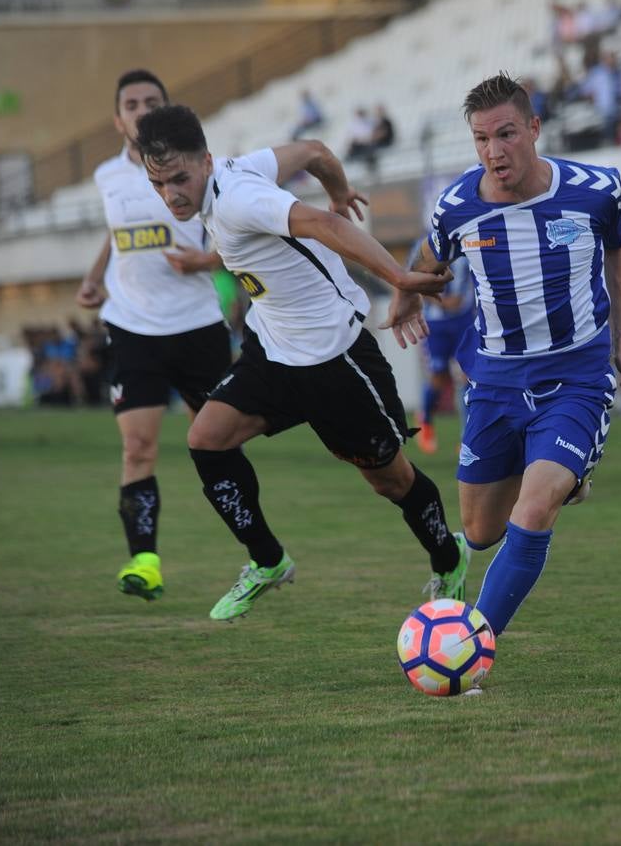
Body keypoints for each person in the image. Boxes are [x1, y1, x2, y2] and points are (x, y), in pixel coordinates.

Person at [133, 105, 463, 622]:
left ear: (206, 162)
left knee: (390, 481)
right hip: (274, 352)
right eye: (158, 183)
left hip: (337, 358)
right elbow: (314, 152)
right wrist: (337, 185)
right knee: (206, 439)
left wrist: (397, 278)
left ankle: (449, 555)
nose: (170, 193)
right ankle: (267, 560)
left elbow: (322, 224)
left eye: (179, 178)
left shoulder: (239, 197)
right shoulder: (235, 175)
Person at [384, 73, 621, 645]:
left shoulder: (597, 189)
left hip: (578, 375)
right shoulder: (457, 206)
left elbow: (618, 251)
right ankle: (561, 476)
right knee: (479, 532)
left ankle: (468, 644)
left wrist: (620, 340)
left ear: (533, 128)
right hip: (495, 381)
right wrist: (405, 291)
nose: (494, 151)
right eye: (481, 139)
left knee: (533, 511)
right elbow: (429, 254)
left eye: (505, 134)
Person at [75, 69, 230, 604]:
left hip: (199, 326)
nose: (140, 110)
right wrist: (96, 276)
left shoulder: (197, 169)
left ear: (166, 110)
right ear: (118, 119)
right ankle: (144, 560)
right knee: (137, 447)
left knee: (219, 443)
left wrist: (205, 260)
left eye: (151, 102)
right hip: (133, 327)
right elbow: (117, 233)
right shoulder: (106, 177)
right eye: (131, 103)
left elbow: (237, 237)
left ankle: (259, 551)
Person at [409, 238, 477, 455]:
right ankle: (426, 419)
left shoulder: (469, 240)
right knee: (439, 376)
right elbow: (412, 280)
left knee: (468, 376)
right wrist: (434, 299)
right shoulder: (424, 245)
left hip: (464, 322)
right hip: (436, 325)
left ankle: (467, 437)